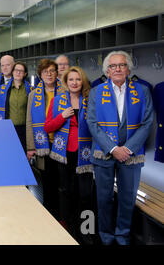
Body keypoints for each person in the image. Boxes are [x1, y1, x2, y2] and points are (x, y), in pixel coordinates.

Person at [87, 51, 154, 245]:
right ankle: (105, 236)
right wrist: (113, 148)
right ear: (107, 71)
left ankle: (122, 235)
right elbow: (92, 123)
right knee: (104, 198)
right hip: (104, 153)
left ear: (128, 69)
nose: (117, 69)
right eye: (113, 66)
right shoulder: (96, 91)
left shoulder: (142, 91)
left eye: (122, 65)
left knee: (127, 199)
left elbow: (147, 122)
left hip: (131, 155)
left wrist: (128, 149)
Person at [44, 66, 94, 244]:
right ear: (66, 82)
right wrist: (62, 116)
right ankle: (67, 227)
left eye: (78, 79)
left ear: (83, 82)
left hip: (86, 154)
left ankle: (86, 229)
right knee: (66, 192)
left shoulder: (91, 100)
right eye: (71, 79)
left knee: (86, 194)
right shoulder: (57, 101)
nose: (74, 82)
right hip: (64, 154)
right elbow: (48, 127)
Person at [26, 58, 62, 220]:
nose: (49, 74)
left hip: (62, 144)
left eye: (52, 71)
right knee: (47, 182)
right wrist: (30, 146)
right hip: (43, 144)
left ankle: (63, 217)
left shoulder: (65, 91)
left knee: (63, 183)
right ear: (40, 75)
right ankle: (49, 216)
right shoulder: (34, 94)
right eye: (45, 71)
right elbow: (29, 121)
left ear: (57, 73)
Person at [0, 62, 32, 150]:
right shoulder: (2, 89)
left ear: (25, 74)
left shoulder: (31, 90)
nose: (18, 73)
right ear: (12, 72)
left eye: (21, 71)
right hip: (8, 128)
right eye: (16, 70)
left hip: (24, 130)